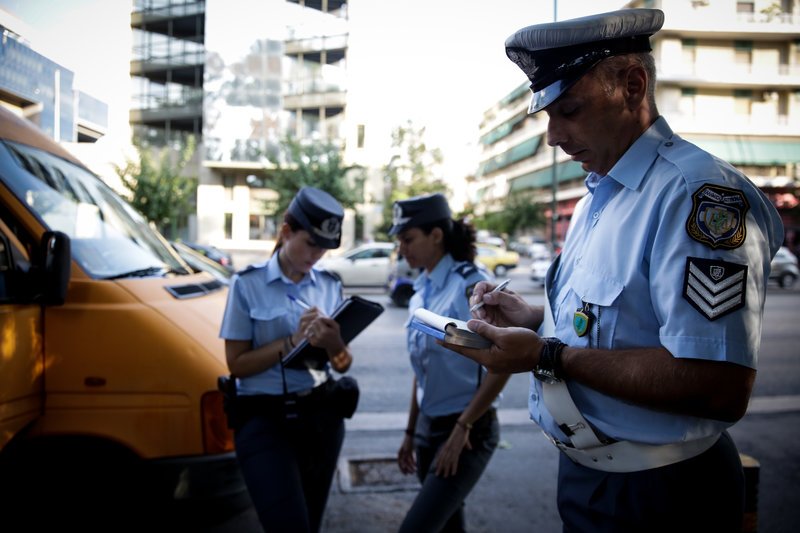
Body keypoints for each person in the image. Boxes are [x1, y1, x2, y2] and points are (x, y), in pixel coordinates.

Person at [444, 8, 785, 533]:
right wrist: (534, 319)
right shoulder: (597, 197)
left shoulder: (697, 196)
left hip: (662, 495)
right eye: (548, 116)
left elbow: (717, 384)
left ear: (632, 86)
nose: (553, 136)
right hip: (591, 480)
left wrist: (546, 355)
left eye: (570, 110)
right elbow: (616, 323)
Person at [219, 186, 353, 533]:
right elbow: (237, 364)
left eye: (324, 248)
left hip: (320, 416)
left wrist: (335, 343)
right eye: (310, 243)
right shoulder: (247, 284)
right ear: (286, 231)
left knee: (310, 522)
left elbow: (342, 364)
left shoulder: (329, 285)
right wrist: (291, 341)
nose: (316, 255)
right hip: (264, 418)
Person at [391, 193, 511, 533]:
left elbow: (502, 362)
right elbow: (422, 369)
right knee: (446, 526)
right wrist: (410, 431)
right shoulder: (421, 290)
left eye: (408, 239)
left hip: (469, 428)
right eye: (399, 241)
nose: (402, 249)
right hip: (428, 427)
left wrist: (463, 427)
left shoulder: (470, 286)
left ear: (436, 235)